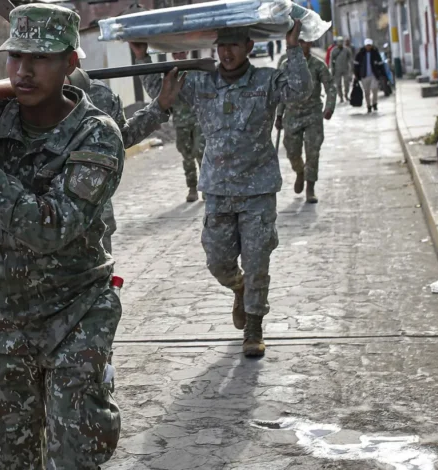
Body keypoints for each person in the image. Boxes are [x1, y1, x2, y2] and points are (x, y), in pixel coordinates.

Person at [0, 5, 180, 468]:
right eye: (16, 57)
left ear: (70, 62)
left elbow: (50, 229)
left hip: (74, 313)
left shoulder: (96, 133)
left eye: (41, 59)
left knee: (75, 453)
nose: (24, 71)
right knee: (10, 455)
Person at [132, 22, 312, 357]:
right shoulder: (201, 82)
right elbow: (161, 88)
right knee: (218, 261)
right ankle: (238, 287)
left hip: (258, 190)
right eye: (221, 46)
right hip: (217, 190)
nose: (226, 53)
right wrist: (143, 56)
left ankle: (254, 328)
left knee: (257, 260)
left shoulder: (266, 80)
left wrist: (292, 49)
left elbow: (300, 91)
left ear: (249, 47)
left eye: (233, 46)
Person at [66, 48, 180, 249]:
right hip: (34, 221)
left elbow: (121, 138)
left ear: (72, 60)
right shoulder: (20, 99)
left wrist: (159, 106)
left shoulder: (97, 95)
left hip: (90, 217)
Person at [276, 39, 336, 204]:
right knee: (292, 151)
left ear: (310, 45)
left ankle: (310, 187)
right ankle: (299, 171)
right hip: (292, 115)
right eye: (300, 43)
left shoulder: (318, 65)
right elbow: (280, 91)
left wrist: (330, 107)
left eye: (306, 43)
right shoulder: (286, 65)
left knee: (313, 152)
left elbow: (330, 85)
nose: (303, 46)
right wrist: (279, 115)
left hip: (313, 114)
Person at [170, 50, 207, 202]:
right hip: (181, 121)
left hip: (198, 119)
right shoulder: (169, 75)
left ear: (187, 52)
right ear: (173, 55)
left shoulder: (196, 72)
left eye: (181, 52)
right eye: (176, 53)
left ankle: (205, 186)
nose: (179, 55)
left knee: (201, 151)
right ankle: (192, 187)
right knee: (187, 155)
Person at [353, 38, 385, 113]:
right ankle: (368, 105)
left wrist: (382, 74)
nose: (368, 47)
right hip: (364, 76)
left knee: (374, 89)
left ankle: (374, 103)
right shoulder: (360, 54)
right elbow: (356, 65)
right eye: (367, 45)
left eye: (369, 45)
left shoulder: (375, 53)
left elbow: (380, 64)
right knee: (367, 92)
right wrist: (357, 76)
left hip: (374, 75)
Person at [330, 36, 353, 103]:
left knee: (346, 83)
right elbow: (331, 61)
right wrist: (332, 70)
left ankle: (346, 95)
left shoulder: (346, 50)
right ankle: (341, 97)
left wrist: (351, 68)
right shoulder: (334, 51)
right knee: (338, 84)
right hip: (337, 70)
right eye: (339, 42)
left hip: (345, 69)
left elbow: (350, 59)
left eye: (341, 42)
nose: (340, 43)